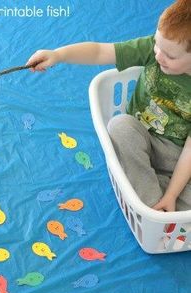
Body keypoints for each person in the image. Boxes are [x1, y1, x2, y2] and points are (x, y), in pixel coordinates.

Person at [26, 0, 191, 212]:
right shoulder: (153, 50)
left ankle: (157, 196)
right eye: (158, 44)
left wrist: (172, 194)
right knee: (120, 125)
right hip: (139, 139)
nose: (158, 55)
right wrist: (59, 55)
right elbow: (99, 52)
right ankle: (153, 207)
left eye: (170, 55)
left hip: (179, 158)